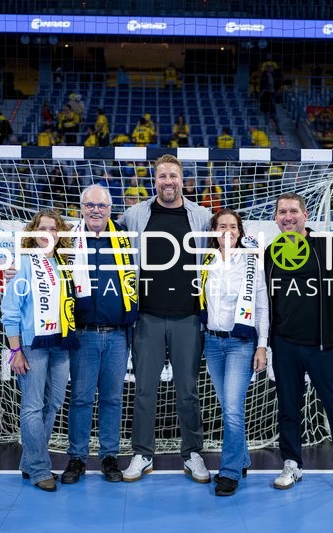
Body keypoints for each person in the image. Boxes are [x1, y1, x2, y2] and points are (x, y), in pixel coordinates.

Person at [116, 154, 212, 483]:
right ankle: (142, 453)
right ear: (154, 180)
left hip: (188, 316)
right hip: (147, 316)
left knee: (188, 391)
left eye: (173, 175)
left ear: (182, 180)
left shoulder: (202, 216)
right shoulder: (135, 214)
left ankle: (193, 453)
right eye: (162, 176)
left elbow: (230, 245)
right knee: (144, 390)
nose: (167, 181)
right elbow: (96, 235)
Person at [264, 192, 333, 495]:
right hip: (285, 345)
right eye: (282, 212)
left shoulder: (328, 246)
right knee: (288, 408)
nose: (288, 217)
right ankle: (292, 464)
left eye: (293, 211)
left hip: (324, 345)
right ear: (276, 218)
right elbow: (265, 300)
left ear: (305, 215)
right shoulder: (270, 252)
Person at [60, 185, 139, 485]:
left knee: (112, 399)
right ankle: (77, 458)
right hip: (83, 334)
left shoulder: (123, 237)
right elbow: (44, 263)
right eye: (90, 205)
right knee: (81, 398)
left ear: (110, 209)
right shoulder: (68, 238)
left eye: (102, 206)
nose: (96, 210)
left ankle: (109, 457)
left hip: (117, 334)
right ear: (81, 208)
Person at [1, 209, 78, 492]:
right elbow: (10, 310)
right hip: (32, 344)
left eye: (53, 228)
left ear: (60, 234)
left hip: (61, 343)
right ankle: (39, 468)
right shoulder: (22, 263)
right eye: (42, 228)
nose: (47, 233)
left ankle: (29, 462)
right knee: (33, 405)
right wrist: (15, 351)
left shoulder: (66, 263)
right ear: (32, 233)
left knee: (53, 403)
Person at [198, 209, 268, 496]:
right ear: (213, 231)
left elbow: (261, 305)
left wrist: (262, 345)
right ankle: (242, 459)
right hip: (212, 343)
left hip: (241, 343)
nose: (227, 231)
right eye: (221, 226)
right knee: (227, 405)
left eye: (233, 226)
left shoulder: (251, 261)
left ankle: (229, 472)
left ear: (240, 232)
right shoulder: (205, 260)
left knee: (232, 408)